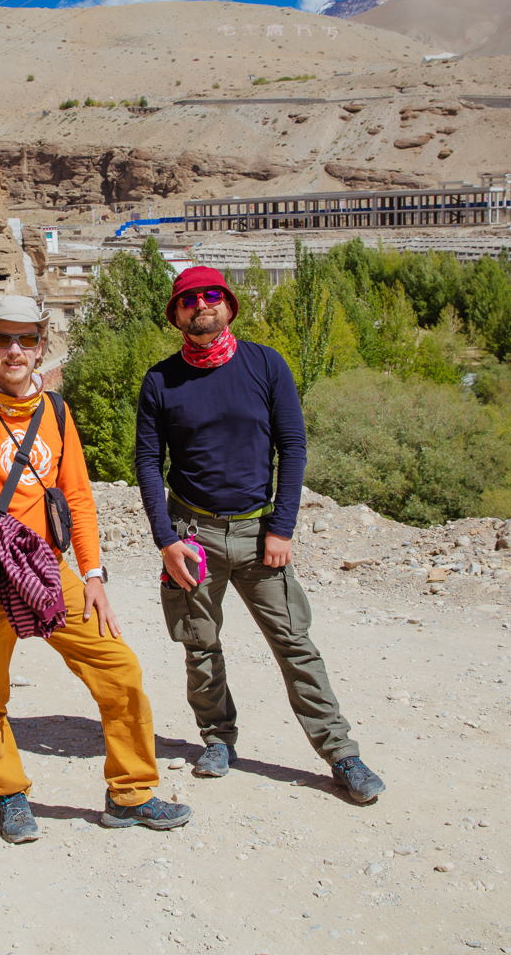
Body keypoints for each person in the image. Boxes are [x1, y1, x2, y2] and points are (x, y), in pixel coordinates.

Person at [0, 296, 191, 843]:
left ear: (40, 349)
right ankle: (8, 792)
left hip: (47, 572)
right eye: (3, 339)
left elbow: (77, 497)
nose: (15, 350)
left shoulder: (55, 413)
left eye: (27, 339)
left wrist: (95, 575)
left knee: (119, 669)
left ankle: (130, 794)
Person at [134, 266, 386, 803]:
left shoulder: (266, 364)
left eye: (211, 295)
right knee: (200, 644)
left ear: (228, 305)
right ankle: (217, 739)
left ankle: (341, 754)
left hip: (259, 535)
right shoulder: (160, 380)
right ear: (176, 315)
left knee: (295, 643)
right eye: (189, 300)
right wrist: (166, 539)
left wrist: (282, 527)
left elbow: (292, 446)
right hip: (192, 536)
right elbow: (148, 463)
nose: (201, 305)